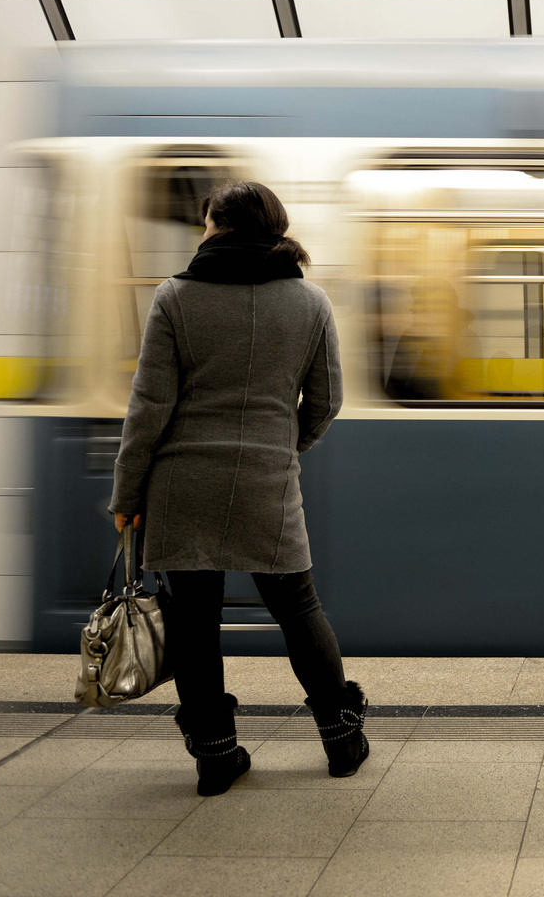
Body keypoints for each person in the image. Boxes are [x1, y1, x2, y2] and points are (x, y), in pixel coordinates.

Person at [110, 181, 367, 796]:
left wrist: (127, 495)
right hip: (267, 485)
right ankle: (340, 740)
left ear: (219, 227)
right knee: (297, 609)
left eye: (205, 223)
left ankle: (216, 759)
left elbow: (149, 406)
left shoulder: (174, 297)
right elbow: (327, 400)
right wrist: (284, 446)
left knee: (195, 623)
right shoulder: (311, 304)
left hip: (180, 483)